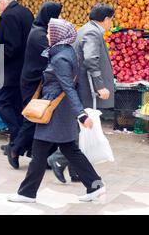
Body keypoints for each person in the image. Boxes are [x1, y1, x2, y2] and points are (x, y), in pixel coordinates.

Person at [7, 18, 105, 204]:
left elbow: (68, 86)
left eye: (50, 32)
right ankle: (95, 185)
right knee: (70, 149)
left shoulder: (60, 58)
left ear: (58, 35)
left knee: (39, 153)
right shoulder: (67, 52)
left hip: (55, 112)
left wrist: (81, 114)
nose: (46, 35)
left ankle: (27, 193)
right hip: (61, 110)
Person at [47, 3, 115, 183]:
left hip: (82, 86)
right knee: (84, 126)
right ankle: (59, 159)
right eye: (110, 20)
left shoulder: (86, 28)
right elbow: (91, 59)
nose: (110, 23)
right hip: (86, 87)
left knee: (81, 126)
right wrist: (100, 85)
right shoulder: (93, 33)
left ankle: (75, 171)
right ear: (106, 19)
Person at [5, 2, 62, 169]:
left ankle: (40, 156)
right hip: (32, 82)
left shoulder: (41, 30)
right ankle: (15, 149)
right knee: (33, 117)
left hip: (39, 81)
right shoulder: (39, 35)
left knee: (43, 118)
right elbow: (52, 55)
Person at [0, 0, 34, 164]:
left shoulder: (9, 16)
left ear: (2, 2)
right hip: (21, 70)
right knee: (15, 106)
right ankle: (16, 143)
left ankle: (17, 135)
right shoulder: (24, 11)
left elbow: (11, 47)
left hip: (9, 71)